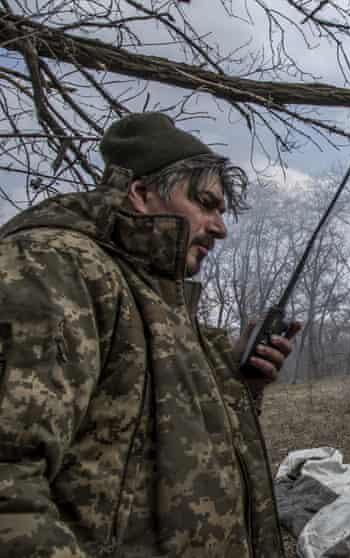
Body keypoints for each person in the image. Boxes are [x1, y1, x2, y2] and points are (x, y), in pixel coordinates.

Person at [0, 113, 299, 557]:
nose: (220, 227)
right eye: (205, 203)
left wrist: (243, 388)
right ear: (141, 194)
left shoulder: (161, 300)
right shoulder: (55, 266)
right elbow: (10, 481)